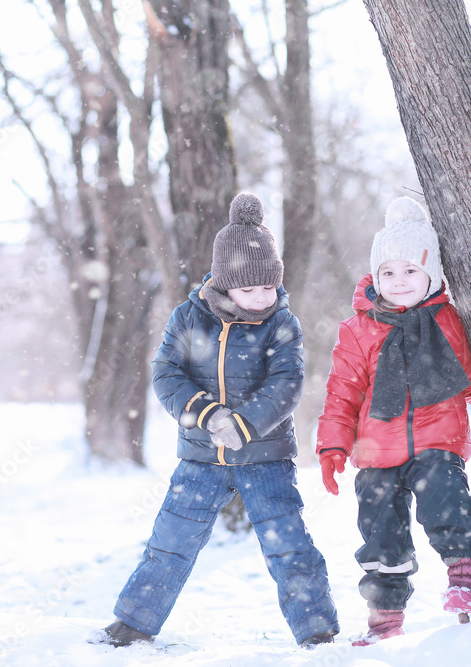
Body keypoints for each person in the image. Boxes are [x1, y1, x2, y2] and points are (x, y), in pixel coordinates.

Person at [96, 192, 340, 648]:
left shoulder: (281, 322)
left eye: (269, 287)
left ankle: (317, 630)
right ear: (225, 283)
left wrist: (244, 424)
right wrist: (207, 415)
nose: (262, 298)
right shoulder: (189, 317)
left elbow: (287, 382)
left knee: (288, 543)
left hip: (265, 454)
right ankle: (134, 622)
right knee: (172, 538)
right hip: (201, 455)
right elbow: (167, 374)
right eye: (249, 289)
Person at [316, 197, 471, 645]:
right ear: (375, 276)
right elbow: (343, 392)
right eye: (388, 273)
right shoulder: (359, 329)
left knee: (446, 499)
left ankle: (465, 578)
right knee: (380, 534)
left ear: (431, 274)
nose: (398, 282)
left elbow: (469, 374)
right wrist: (332, 446)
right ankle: (385, 619)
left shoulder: (448, 321)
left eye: (410, 271)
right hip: (376, 452)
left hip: (439, 441)